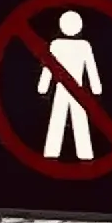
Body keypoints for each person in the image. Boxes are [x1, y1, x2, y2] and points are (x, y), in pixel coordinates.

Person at [38, 9, 102, 163]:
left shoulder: (59, 45)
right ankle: (83, 152)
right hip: (74, 90)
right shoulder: (80, 46)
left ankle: (54, 151)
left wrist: (43, 86)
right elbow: (49, 66)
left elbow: (49, 67)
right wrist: (95, 87)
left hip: (66, 89)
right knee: (73, 119)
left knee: (60, 118)